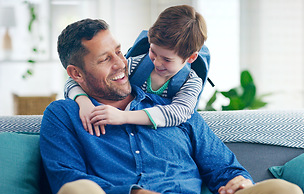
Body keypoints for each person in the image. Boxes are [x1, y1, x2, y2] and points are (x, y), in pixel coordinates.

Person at [40, 18, 304, 194]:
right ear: (76, 74)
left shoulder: (175, 107)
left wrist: (237, 182)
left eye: (119, 51)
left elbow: (224, 168)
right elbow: (67, 178)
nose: (120, 63)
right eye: (104, 59)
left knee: (284, 193)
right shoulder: (64, 115)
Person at [64, 5, 209, 136]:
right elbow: (74, 80)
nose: (157, 62)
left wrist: (123, 117)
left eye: (166, 59)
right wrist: (84, 102)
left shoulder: (190, 82)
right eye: (153, 51)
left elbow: (178, 113)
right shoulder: (137, 66)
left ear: (191, 58)